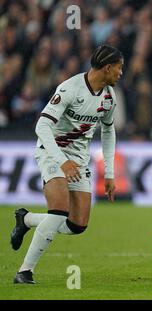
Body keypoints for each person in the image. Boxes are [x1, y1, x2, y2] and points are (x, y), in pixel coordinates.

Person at [10, 45, 123, 284]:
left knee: (77, 224)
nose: (121, 73)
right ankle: (25, 271)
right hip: (53, 153)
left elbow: (108, 132)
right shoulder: (70, 89)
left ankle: (27, 220)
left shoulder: (109, 97)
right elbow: (41, 126)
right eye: (119, 68)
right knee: (58, 209)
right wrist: (62, 162)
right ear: (108, 68)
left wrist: (110, 173)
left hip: (79, 161)